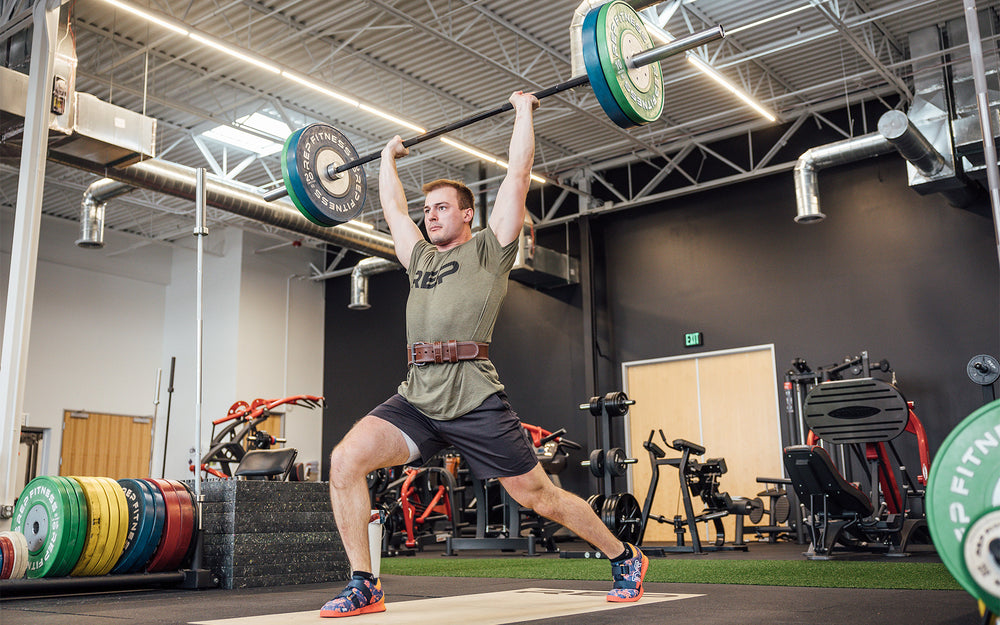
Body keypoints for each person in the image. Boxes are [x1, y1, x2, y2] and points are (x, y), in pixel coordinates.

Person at [320, 91, 647, 619]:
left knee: (538, 497)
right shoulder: (419, 257)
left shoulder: (489, 250)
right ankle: (365, 583)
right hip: (418, 396)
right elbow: (392, 208)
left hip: (474, 396)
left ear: (467, 213)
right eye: (428, 210)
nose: (430, 216)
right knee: (344, 461)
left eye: (442, 207)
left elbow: (517, 175)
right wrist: (385, 159)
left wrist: (522, 111)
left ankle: (623, 555)